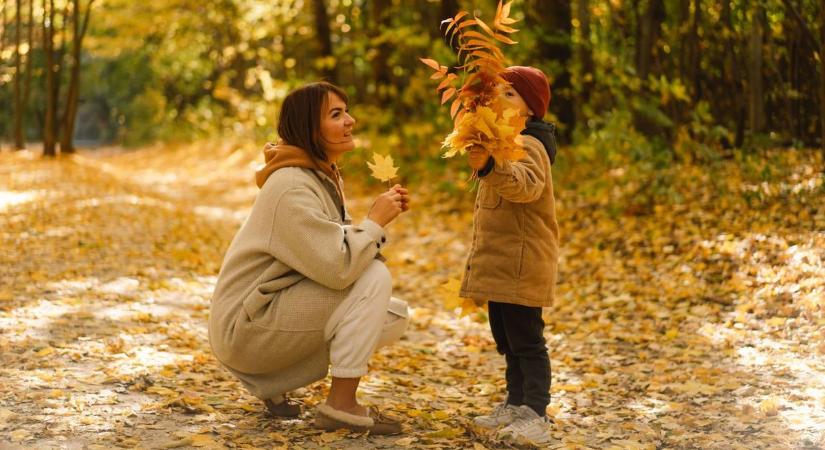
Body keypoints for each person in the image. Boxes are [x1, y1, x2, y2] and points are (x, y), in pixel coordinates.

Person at [208, 81, 411, 436]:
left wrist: (369, 229)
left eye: (346, 110)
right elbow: (338, 267)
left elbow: (326, 253)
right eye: (336, 114)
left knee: (392, 315)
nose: (350, 120)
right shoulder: (290, 185)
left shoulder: (315, 175)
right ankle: (341, 406)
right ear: (308, 128)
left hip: (263, 312)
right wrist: (374, 223)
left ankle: (273, 383)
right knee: (373, 281)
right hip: (246, 326)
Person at [462, 66, 559, 446]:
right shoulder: (503, 144)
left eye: (509, 95)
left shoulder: (530, 146)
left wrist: (490, 166)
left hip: (522, 264)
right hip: (501, 265)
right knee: (505, 338)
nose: (498, 100)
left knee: (527, 340)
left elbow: (525, 186)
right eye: (496, 93)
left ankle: (536, 412)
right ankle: (515, 402)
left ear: (531, 108)